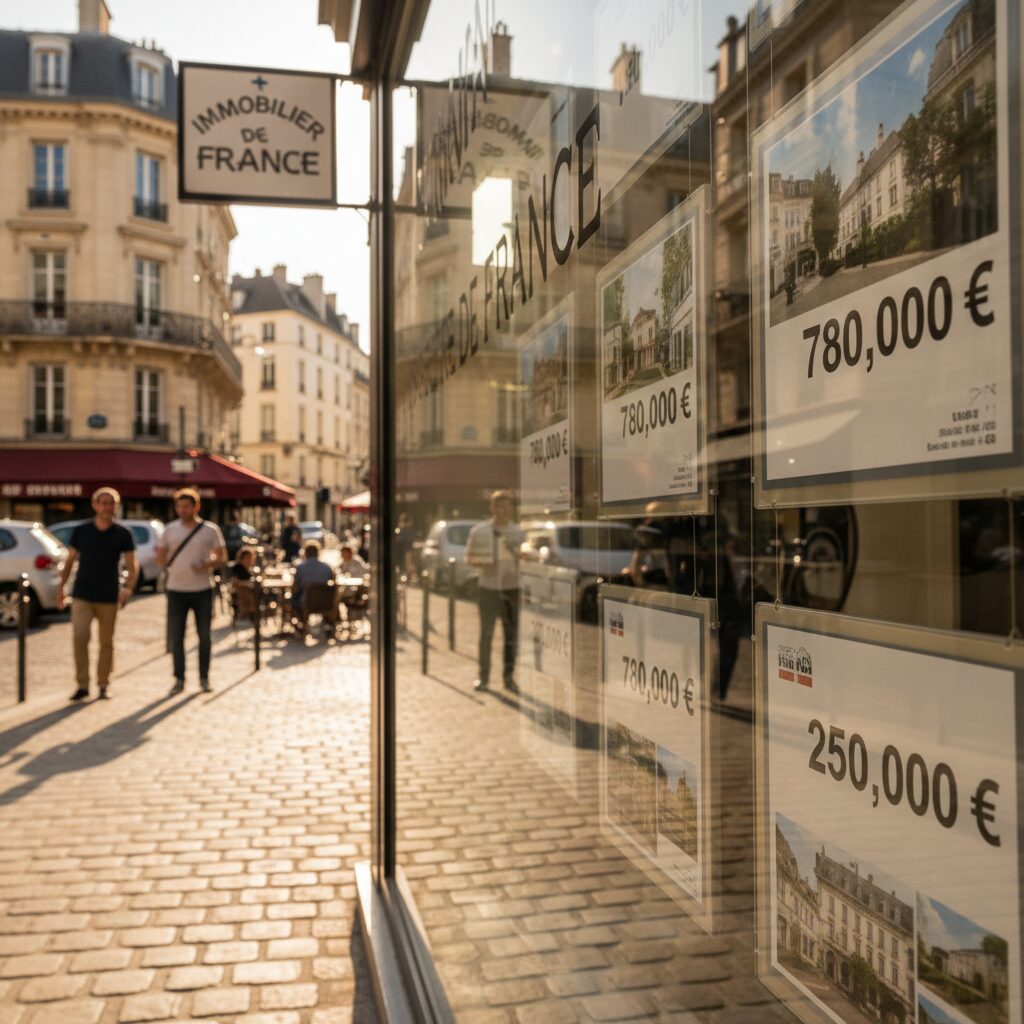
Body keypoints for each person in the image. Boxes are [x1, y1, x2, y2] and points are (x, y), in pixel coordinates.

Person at [57, 487, 138, 701]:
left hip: (109, 595)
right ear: (95, 505)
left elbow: (132, 565)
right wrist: (61, 588)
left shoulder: (123, 533)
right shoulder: (82, 530)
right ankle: (82, 685)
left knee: (106, 642)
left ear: (115, 506)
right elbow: (69, 560)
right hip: (82, 593)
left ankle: (103, 684)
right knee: (80, 638)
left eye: (111, 503)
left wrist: (128, 588)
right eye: (103, 503)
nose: (107, 507)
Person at [157, 487, 227, 694]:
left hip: (202, 590)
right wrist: (164, 562)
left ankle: (204, 678)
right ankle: (179, 679)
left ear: (196, 507)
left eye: (186, 506)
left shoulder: (210, 530)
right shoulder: (170, 530)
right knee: (176, 637)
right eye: (179, 506)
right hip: (176, 590)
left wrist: (206, 564)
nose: (182, 510)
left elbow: (222, 557)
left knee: (204, 636)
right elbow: (161, 557)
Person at [464, 490, 522, 694]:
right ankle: (484, 677)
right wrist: (484, 564)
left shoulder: (518, 532)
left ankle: (509, 678)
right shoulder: (479, 531)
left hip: (512, 588)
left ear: (511, 508)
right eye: (500, 506)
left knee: (510, 635)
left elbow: (526, 558)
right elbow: (468, 558)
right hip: (488, 588)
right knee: (486, 634)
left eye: (508, 506)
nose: (505, 510)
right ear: (492, 508)